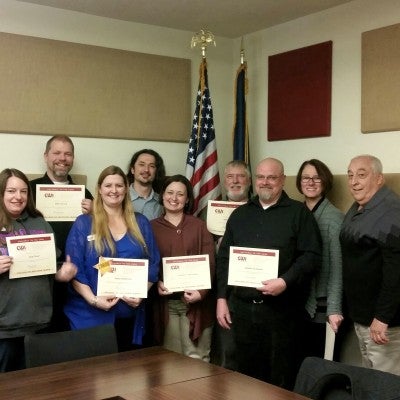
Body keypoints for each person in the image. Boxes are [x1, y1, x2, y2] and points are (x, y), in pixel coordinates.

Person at [216, 157, 321, 389]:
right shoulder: (240, 215)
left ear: (282, 180)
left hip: (281, 312)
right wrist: (222, 298)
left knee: (279, 377)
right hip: (242, 311)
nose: (266, 182)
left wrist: (285, 281)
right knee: (243, 377)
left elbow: (312, 256)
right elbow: (224, 259)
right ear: (255, 180)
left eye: (272, 177)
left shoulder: (299, 214)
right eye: (261, 177)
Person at [63, 165, 160, 351]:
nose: (113, 190)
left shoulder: (141, 223)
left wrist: (141, 292)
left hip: (130, 316)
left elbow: (153, 263)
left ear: (126, 188)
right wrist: (93, 299)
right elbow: (75, 268)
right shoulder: (84, 223)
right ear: (99, 189)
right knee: (92, 377)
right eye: (108, 185)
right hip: (89, 316)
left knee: (127, 376)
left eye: (119, 185)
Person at [0, 168, 77, 372]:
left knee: (36, 385)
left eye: (24, 191)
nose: (18, 197)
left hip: (39, 322)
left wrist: (61, 273)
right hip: (5, 327)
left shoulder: (40, 222)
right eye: (11, 191)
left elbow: (51, 265)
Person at [340, 154, 400, 375]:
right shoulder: (360, 206)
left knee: (387, 386)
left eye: (361, 175)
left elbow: (396, 273)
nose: (354, 181)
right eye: (350, 175)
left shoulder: (393, 212)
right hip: (363, 318)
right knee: (370, 380)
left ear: (379, 178)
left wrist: (383, 317)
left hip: (384, 324)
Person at [30, 134, 93, 332]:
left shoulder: (85, 194)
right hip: (41, 277)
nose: (62, 158)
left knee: (71, 335)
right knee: (43, 335)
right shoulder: (30, 191)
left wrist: (95, 214)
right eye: (56, 153)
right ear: (46, 156)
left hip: (77, 275)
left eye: (68, 154)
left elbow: (98, 234)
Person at [151, 174, 215, 361]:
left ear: (187, 199)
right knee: (171, 360)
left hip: (197, 304)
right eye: (170, 192)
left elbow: (210, 263)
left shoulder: (199, 226)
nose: (174, 198)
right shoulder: (151, 227)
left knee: (197, 358)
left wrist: (201, 292)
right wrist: (156, 283)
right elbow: (147, 263)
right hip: (166, 305)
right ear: (162, 195)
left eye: (180, 194)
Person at [296, 159, 344, 359]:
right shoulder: (295, 213)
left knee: (318, 363)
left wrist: (334, 308)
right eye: (306, 177)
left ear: (325, 182)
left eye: (317, 178)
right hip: (298, 300)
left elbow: (337, 268)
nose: (311, 182)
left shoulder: (334, 218)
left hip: (322, 306)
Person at [210, 160, 251, 370]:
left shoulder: (258, 212)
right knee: (224, 352)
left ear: (249, 181)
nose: (235, 181)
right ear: (224, 181)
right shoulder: (209, 215)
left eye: (240, 176)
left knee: (245, 352)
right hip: (217, 290)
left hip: (247, 291)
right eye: (230, 177)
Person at [126, 149, 166, 221]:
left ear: (156, 172)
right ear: (132, 169)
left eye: (151, 166)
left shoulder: (163, 202)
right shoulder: (120, 198)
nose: (146, 170)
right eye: (142, 164)